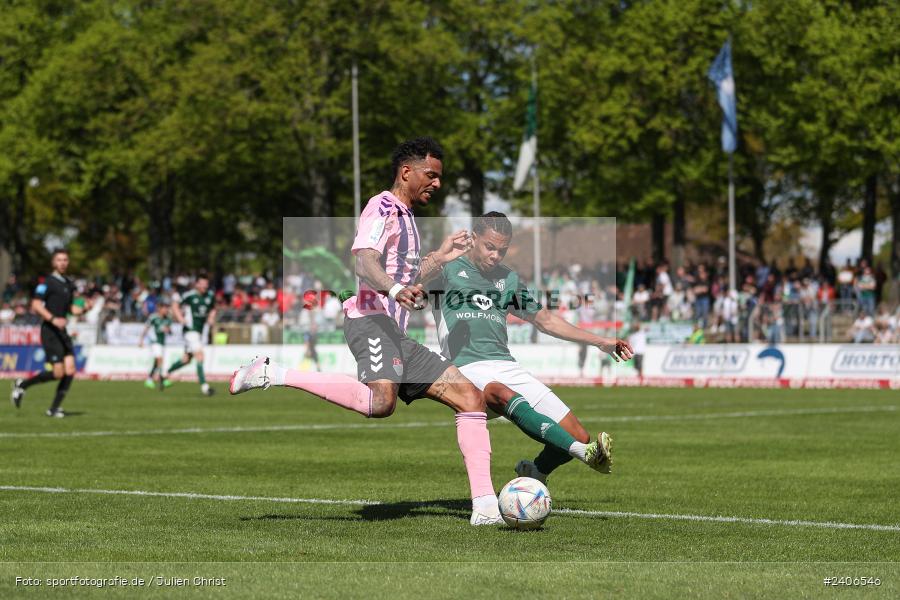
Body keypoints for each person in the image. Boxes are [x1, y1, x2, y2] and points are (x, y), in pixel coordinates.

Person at [229, 137, 502, 525]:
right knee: (381, 402)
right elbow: (364, 263)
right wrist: (394, 289)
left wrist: (440, 258)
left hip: (396, 332)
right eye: (432, 175)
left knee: (470, 397)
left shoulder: (407, 217)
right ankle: (272, 373)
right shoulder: (382, 207)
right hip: (369, 319)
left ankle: (486, 508)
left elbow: (405, 275)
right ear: (407, 172)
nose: (437, 184)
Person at [427, 212, 633, 484]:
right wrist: (439, 257)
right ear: (473, 238)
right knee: (498, 392)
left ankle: (536, 472)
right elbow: (404, 281)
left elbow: (545, 320)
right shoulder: (448, 268)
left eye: (502, 250)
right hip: (465, 368)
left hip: (506, 365)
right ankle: (587, 454)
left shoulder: (508, 279)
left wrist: (602, 342)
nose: (495, 256)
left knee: (576, 433)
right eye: (489, 247)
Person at [10, 249, 83, 417]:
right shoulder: (46, 283)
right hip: (50, 330)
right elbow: (36, 305)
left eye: (65, 260)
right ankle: (23, 384)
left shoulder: (69, 284)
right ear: (53, 263)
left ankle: (54, 408)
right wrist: (53, 319)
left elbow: (71, 309)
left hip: (62, 331)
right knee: (58, 373)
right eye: (59, 260)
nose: (63, 263)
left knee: (70, 371)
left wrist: (85, 308)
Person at [167, 274, 216, 396]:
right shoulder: (190, 295)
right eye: (203, 283)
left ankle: (165, 373)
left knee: (186, 360)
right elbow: (174, 305)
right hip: (190, 331)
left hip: (199, 332)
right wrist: (180, 318)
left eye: (206, 284)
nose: (205, 286)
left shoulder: (210, 296)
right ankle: (205, 387)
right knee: (200, 355)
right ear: (197, 284)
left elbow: (213, 308)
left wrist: (211, 317)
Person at [139, 300, 173, 390]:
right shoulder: (153, 317)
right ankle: (163, 379)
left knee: (157, 362)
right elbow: (146, 328)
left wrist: (168, 330)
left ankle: (149, 379)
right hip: (155, 342)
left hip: (162, 343)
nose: (166, 310)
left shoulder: (168, 319)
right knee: (159, 360)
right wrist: (141, 340)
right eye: (164, 308)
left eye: (167, 308)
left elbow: (170, 332)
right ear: (160, 309)